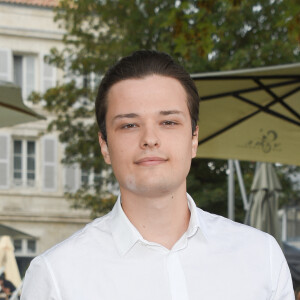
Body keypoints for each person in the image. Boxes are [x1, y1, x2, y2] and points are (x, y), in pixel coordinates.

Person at [21, 50, 294, 300]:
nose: (150, 138)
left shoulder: (262, 258)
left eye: (168, 122)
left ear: (194, 139)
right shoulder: (56, 277)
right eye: (129, 125)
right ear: (104, 145)